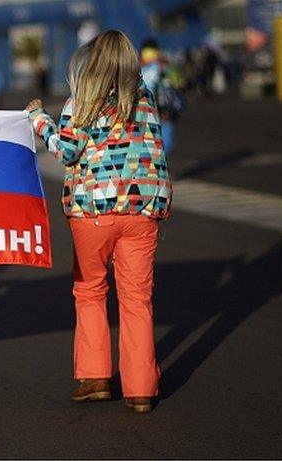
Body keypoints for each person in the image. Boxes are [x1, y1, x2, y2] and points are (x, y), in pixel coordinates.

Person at [25, 30, 172, 414]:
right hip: (143, 209)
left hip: (93, 211)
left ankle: (95, 377)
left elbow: (67, 152)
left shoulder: (82, 102)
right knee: (137, 299)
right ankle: (141, 389)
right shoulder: (144, 100)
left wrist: (39, 120)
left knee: (90, 290)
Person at [140, 38, 184, 155]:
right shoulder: (140, 67)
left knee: (162, 140)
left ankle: (158, 165)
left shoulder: (159, 66)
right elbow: (179, 82)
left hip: (156, 108)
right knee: (161, 141)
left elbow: (178, 81)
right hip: (154, 109)